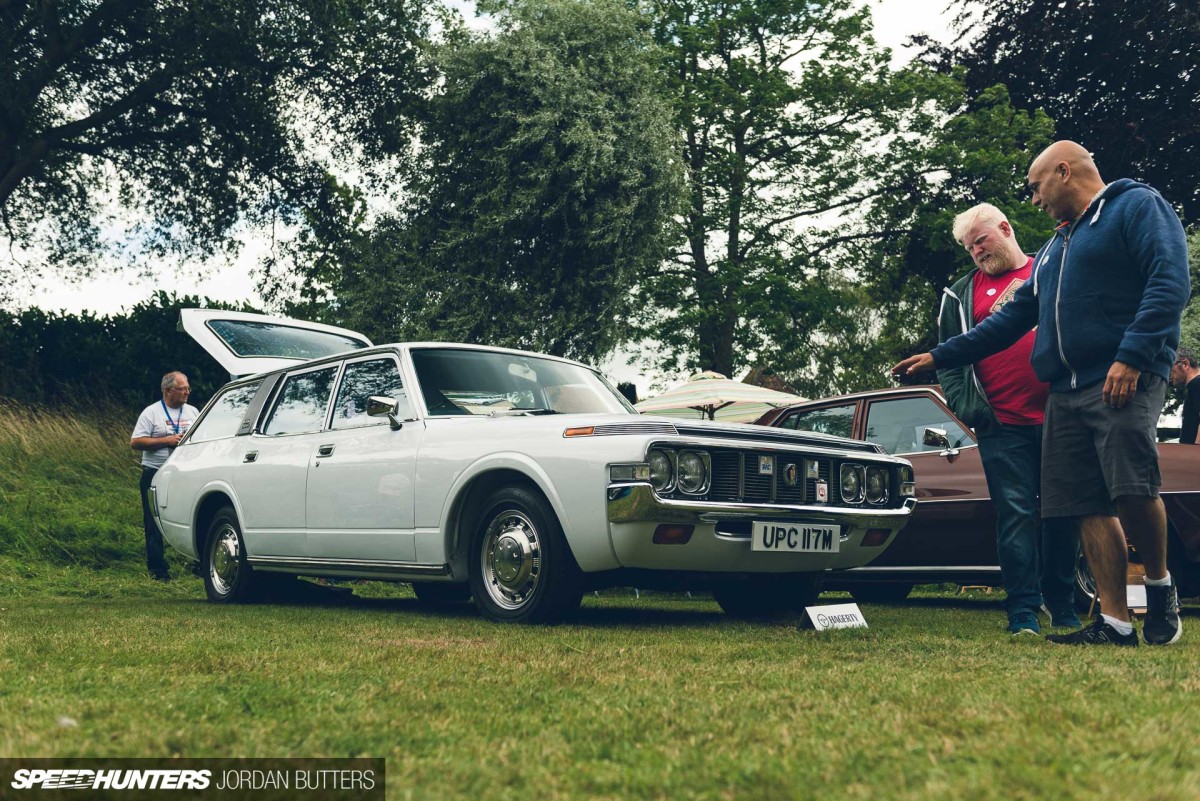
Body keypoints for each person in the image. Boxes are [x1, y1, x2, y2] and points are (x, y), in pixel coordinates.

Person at [894, 141, 1189, 646]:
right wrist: (941, 356)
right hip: (1066, 392)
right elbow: (1009, 321)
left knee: (1131, 489)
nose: (1033, 200)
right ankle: (1115, 622)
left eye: (1035, 188)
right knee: (1084, 504)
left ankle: (1160, 587)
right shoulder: (1056, 247)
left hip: (1124, 376)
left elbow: (1169, 280)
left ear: (1063, 170)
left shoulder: (1136, 205)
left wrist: (1133, 355)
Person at [939, 203, 1080, 635]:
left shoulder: (1052, 268)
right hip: (1002, 422)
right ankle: (1022, 607)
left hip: (1062, 416)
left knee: (1063, 513)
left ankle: (1063, 603)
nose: (976, 252)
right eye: (969, 248)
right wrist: (972, 411)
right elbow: (949, 360)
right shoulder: (959, 295)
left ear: (1005, 228)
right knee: (1016, 513)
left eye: (981, 240)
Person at [130, 371, 198, 581]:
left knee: (195, 517)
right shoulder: (151, 413)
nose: (187, 392)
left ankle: (200, 565)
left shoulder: (193, 412)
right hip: (155, 473)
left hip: (186, 473)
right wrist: (166, 441)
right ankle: (158, 570)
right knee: (153, 521)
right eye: (182, 388)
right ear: (168, 391)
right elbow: (136, 442)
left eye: (188, 388)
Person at [1170, 346, 1200, 444]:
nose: (1168, 374)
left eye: (1170, 368)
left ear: (1185, 364)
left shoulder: (1197, 384)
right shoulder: (1194, 386)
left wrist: (1195, 454)